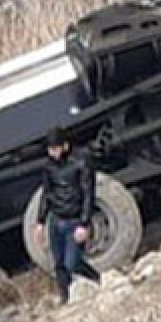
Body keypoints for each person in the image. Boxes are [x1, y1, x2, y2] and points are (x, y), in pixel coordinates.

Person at [33, 127, 100, 304]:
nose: (53, 153)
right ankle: (66, 298)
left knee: (73, 262)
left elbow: (88, 194)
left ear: (65, 145)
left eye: (56, 148)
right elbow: (47, 194)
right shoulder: (48, 167)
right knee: (59, 265)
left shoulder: (81, 162)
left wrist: (85, 223)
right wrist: (40, 221)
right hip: (56, 219)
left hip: (75, 219)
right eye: (50, 149)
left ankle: (97, 279)